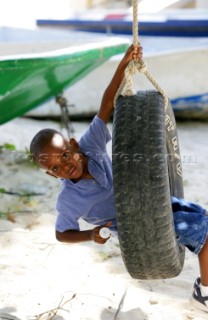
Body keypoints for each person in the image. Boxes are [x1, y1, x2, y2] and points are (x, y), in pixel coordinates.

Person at [30, 44, 208, 313]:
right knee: (205, 235)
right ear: (50, 174)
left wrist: (124, 64)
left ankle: (202, 287)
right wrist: (90, 235)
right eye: (55, 168)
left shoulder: (91, 145)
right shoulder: (69, 200)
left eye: (65, 156)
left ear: (74, 145)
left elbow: (106, 103)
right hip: (135, 226)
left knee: (204, 218)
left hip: (151, 199)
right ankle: (204, 295)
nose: (65, 168)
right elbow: (60, 233)